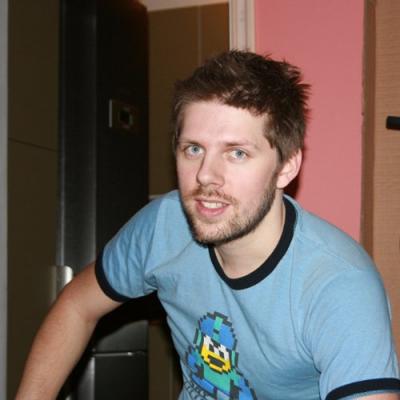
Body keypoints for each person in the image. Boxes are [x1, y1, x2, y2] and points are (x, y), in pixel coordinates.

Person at [16, 51, 400, 400]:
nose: (205, 175)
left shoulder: (338, 283)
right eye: (194, 149)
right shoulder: (164, 225)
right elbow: (76, 306)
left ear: (286, 166)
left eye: (237, 153)